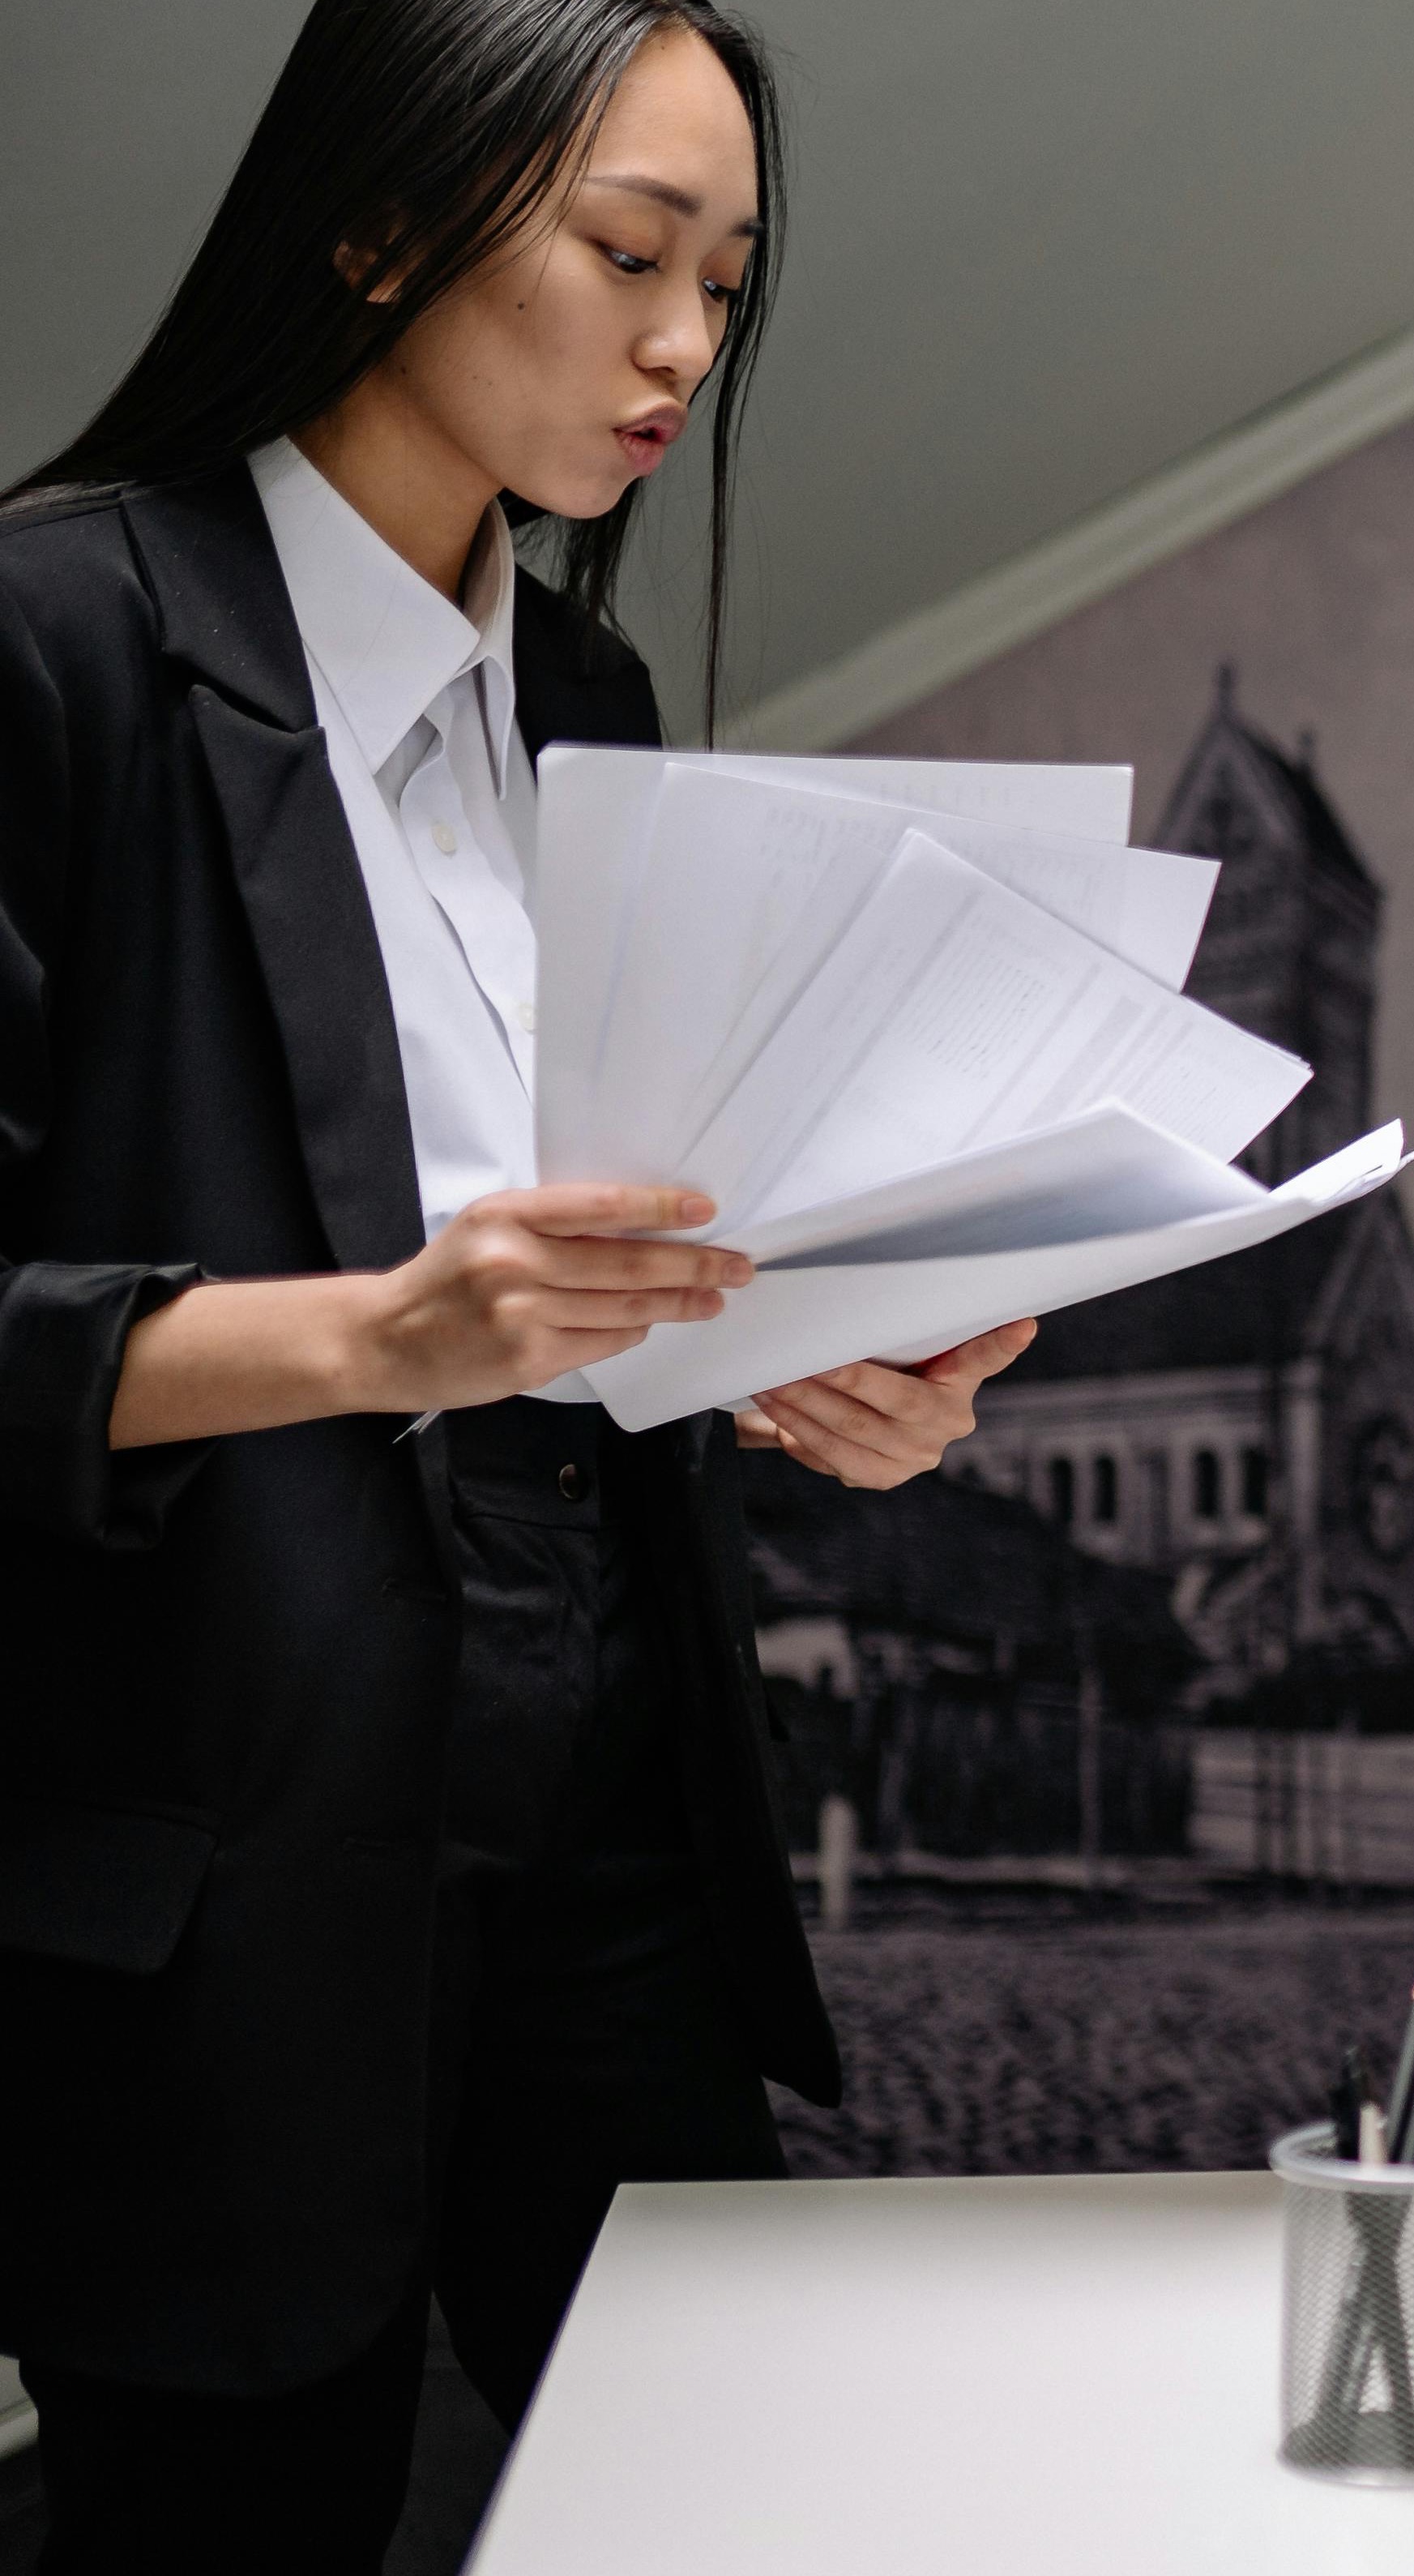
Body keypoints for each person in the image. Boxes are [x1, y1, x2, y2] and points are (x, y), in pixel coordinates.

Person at [0, 7, 1036, 2562]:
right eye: (629, 254)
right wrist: (381, 1335)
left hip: (608, 1826)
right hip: (229, 1887)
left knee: (740, 2517)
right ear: (375, 224)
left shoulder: (581, 698)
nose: (689, 343)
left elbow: (591, 1271)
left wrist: (792, 1364)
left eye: (731, 281)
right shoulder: (62, 645)